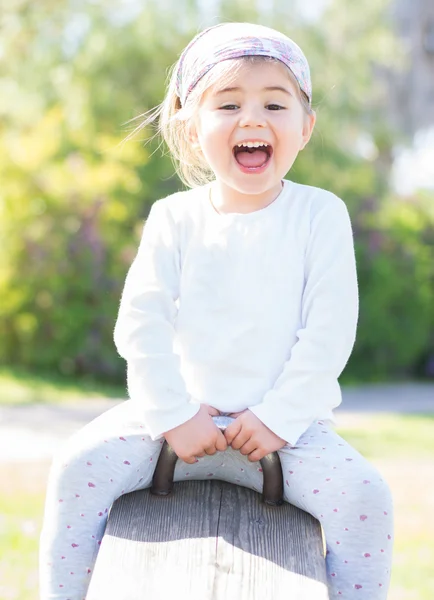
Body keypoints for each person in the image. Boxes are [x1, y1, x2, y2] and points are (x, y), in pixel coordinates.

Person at [39, 22, 393, 599]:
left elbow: (329, 330)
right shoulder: (175, 217)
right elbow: (142, 323)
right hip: (176, 425)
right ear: (191, 126)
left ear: (305, 128)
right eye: (228, 103)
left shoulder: (319, 215)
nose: (252, 119)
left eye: (274, 104)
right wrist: (172, 412)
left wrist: (280, 416)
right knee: (76, 469)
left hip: (289, 435)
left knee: (366, 497)